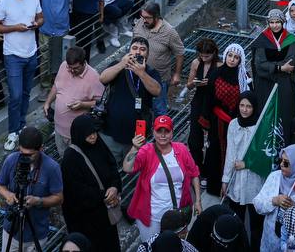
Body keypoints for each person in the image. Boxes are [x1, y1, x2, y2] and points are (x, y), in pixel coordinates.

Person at [125, 114, 201, 244]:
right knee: (152, 247)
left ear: (172, 132)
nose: (163, 135)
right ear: (153, 132)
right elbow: (127, 168)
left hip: (176, 215)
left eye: (167, 131)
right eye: (159, 131)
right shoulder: (146, 151)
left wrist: (198, 201)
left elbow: (194, 174)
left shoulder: (181, 150)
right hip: (153, 217)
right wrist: (135, 148)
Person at [0, 0, 44, 151]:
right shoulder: (4, 1)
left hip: (31, 53)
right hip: (12, 55)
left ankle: (21, 125)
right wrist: (15, 28)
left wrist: (37, 24)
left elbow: (40, 17)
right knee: (15, 96)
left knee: (25, 93)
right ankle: (12, 132)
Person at [59, 114, 123, 252]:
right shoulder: (71, 159)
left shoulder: (99, 145)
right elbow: (77, 192)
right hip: (87, 223)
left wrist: (114, 187)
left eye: (94, 132)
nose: (93, 136)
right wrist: (105, 196)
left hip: (106, 217)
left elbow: (112, 167)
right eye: (88, 134)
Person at [0, 126, 65, 252]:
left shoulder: (52, 168)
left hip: (36, 234)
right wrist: (8, 195)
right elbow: (0, 185)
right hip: (11, 230)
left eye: (30, 155)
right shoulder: (11, 160)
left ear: (41, 149)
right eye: (22, 154)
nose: (25, 158)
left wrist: (38, 201)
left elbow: (59, 198)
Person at [98, 36, 162, 160]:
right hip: (111, 133)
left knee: (133, 169)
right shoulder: (118, 65)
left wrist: (141, 73)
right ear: (129, 51)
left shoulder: (151, 72)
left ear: (147, 55)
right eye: (134, 48)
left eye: (142, 49)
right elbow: (103, 78)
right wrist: (122, 64)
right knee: (110, 168)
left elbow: (157, 91)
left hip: (136, 137)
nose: (138, 52)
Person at [221, 91, 267, 249]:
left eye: (248, 106)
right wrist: (225, 180)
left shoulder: (261, 126)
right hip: (237, 180)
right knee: (236, 221)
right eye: (242, 105)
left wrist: (246, 164)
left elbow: (265, 156)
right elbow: (230, 153)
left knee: (256, 225)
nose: (245, 110)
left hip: (255, 181)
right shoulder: (234, 124)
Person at [44, 45, 103, 156]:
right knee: (63, 157)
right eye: (69, 67)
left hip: (76, 135)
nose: (71, 71)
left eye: (75, 68)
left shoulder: (94, 78)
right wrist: (47, 103)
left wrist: (82, 105)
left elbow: (101, 103)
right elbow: (56, 86)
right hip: (58, 129)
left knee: (77, 163)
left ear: (83, 62)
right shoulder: (64, 66)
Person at [134, 2, 185, 116]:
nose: (143, 20)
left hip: (159, 79)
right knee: (137, 106)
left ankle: (159, 131)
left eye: (147, 18)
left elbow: (180, 53)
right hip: (138, 76)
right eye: (142, 17)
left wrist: (177, 74)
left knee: (159, 109)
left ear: (156, 16)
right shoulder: (139, 24)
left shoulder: (169, 32)